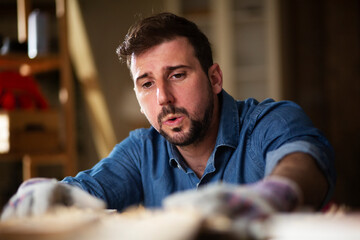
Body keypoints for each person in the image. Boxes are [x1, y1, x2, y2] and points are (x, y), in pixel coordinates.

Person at [1, 12, 335, 221]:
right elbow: (87, 188)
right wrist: (50, 193)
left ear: (214, 78)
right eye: (146, 83)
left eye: (177, 75)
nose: (163, 98)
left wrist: (273, 195)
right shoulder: (141, 150)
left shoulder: (269, 121)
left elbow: (302, 161)